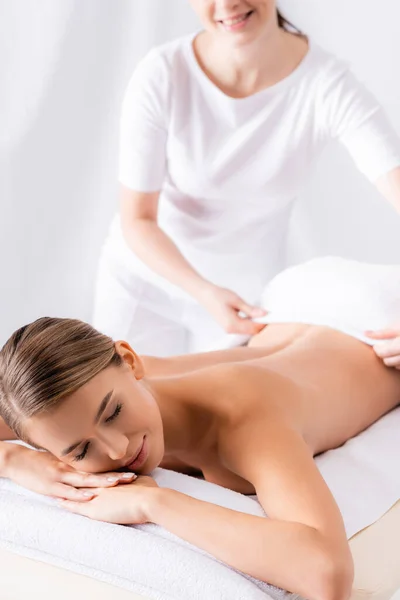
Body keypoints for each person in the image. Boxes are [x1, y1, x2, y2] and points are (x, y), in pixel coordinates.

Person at [1, 256, 400, 600]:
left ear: (130, 359)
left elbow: (328, 574)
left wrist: (153, 502)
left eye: (113, 412)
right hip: (294, 316)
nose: (118, 448)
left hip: (377, 317)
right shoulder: (63, 408)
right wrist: (14, 459)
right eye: (80, 451)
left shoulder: (245, 420)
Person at [92, 0, 400, 358]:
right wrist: (204, 290)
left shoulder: (326, 84)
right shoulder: (162, 73)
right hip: (144, 284)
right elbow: (138, 219)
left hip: (243, 304)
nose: (226, 5)